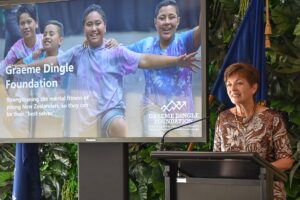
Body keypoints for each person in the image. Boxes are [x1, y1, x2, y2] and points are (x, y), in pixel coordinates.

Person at [15, 4, 199, 138]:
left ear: (105, 26)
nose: (94, 28)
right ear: (84, 29)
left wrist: (176, 60)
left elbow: (144, 59)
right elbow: (52, 61)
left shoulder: (115, 51)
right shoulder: (77, 52)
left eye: (98, 23)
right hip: (84, 123)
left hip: (110, 113)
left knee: (120, 126)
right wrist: (23, 67)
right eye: (89, 24)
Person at [213, 63, 294, 200]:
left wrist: (257, 170)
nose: (233, 89)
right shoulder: (223, 118)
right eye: (229, 84)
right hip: (232, 191)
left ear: (253, 88)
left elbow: (287, 161)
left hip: (267, 190)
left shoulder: (271, 118)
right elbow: (217, 158)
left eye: (239, 83)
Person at [127, 0, 201, 136]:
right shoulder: (146, 45)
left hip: (180, 114)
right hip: (152, 107)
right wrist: (111, 43)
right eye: (162, 18)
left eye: (171, 17)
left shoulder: (185, 41)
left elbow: (202, 29)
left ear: (178, 21)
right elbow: (120, 53)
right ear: (155, 22)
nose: (167, 22)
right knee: (154, 132)